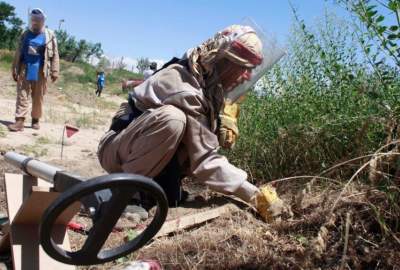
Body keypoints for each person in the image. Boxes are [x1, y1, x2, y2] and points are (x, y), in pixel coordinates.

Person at [97, 25, 287, 222]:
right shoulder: (186, 88)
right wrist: (254, 196)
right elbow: (204, 159)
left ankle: (158, 189)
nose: (247, 76)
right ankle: (126, 195)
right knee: (173, 120)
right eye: (244, 68)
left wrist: (221, 120)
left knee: (186, 130)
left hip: (131, 149)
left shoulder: (205, 81)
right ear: (224, 62)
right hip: (115, 151)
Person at [8, 8, 59, 132]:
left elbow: (55, 54)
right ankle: (19, 121)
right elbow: (18, 52)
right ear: (31, 20)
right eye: (33, 19)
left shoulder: (49, 35)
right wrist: (15, 68)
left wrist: (55, 70)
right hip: (25, 68)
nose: (35, 22)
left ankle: (35, 119)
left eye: (38, 20)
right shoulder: (25, 34)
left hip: (41, 70)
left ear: (42, 20)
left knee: (38, 96)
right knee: (22, 94)